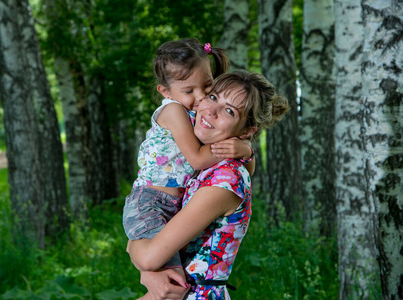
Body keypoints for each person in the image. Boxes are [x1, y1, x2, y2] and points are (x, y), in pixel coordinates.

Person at [127, 70, 290, 299]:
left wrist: (144, 264)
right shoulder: (205, 166)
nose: (211, 111)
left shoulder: (224, 182)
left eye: (229, 111)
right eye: (213, 97)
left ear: (247, 131)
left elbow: (147, 257)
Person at [123, 39, 254, 273]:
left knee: (170, 283)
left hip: (173, 207)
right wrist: (237, 146)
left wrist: (246, 151)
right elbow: (197, 159)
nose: (201, 97)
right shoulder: (173, 111)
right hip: (151, 202)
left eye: (207, 87)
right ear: (165, 91)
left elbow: (244, 171)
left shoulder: (200, 117)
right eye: (189, 91)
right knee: (170, 281)